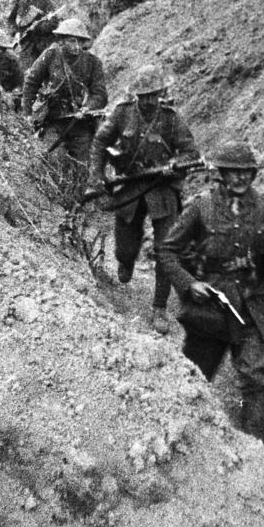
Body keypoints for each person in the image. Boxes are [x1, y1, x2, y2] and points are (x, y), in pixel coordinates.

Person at [158, 140, 264, 438]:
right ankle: (183, 438)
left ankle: (253, 449)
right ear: (221, 173)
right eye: (233, 172)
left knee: (254, 379)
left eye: (247, 172)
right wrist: (189, 283)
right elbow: (167, 252)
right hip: (212, 308)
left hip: (252, 307)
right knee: (194, 377)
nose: (240, 178)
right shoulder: (201, 209)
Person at [86, 66, 200, 333]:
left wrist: (174, 163)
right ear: (136, 95)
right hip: (130, 184)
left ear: (161, 93)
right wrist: (97, 174)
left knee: (166, 251)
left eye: (153, 95)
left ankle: (159, 307)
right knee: (124, 248)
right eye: (143, 96)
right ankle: (126, 262)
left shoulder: (171, 118)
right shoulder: (123, 112)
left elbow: (190, 151)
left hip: (162, 189)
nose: (148, 100)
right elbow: (100, 142)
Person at [20, 18, 107, 163]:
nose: (77, 46)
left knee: (84, 164)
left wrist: (87, 108)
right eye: (72, 41)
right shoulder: (50, 55)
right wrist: (28, 113)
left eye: (80, 41)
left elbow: (100, 95)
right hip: (52, 121)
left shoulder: (93, 63)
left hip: (80, 123)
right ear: (62, 40)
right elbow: (31, 82)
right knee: (49, 159)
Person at [7, 0, 59, 70]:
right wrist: (16, 33)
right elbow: (10, 20)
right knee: (26, 72)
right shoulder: (19, 0)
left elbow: (54, 21)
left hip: (44, 41)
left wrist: (38, 27)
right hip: (27, 43)